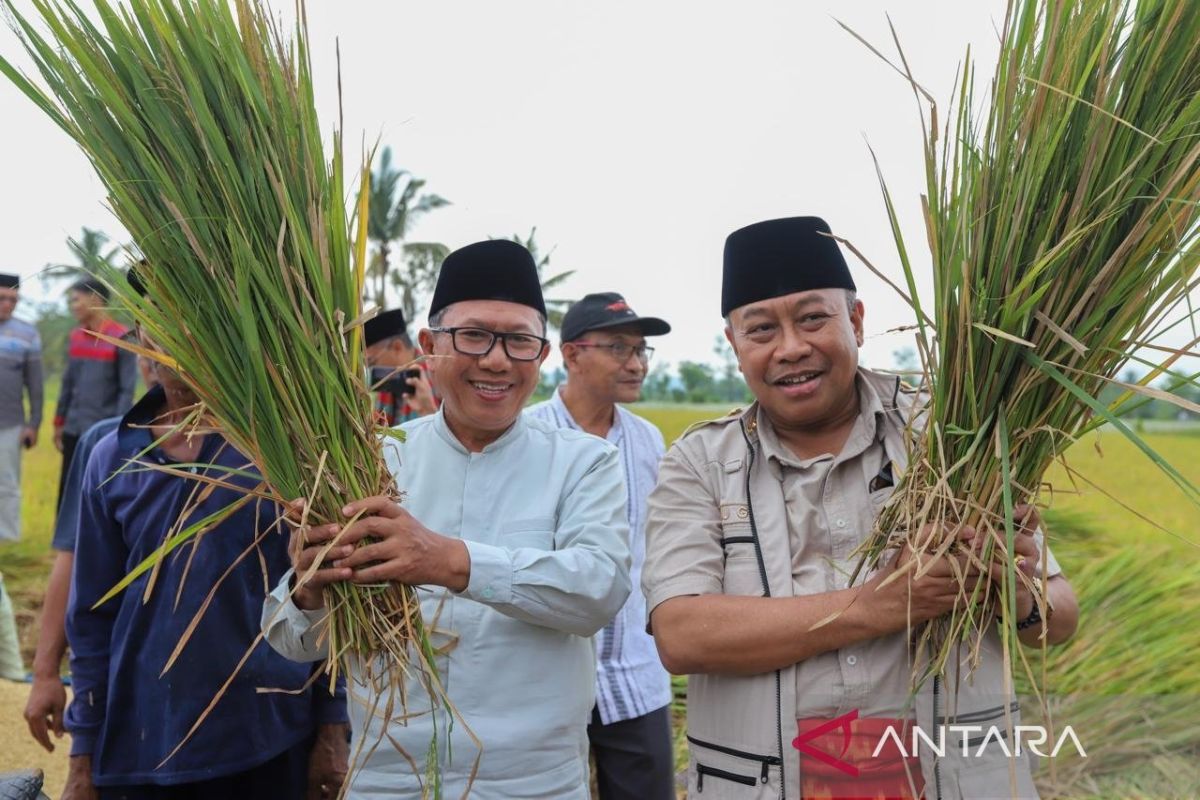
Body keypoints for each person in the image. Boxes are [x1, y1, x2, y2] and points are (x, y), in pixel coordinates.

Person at [642, 216, 1080, 799]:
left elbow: (1057, 620)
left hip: (955, 780)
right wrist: (877, 606)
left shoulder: (955, 432)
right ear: (734, 345)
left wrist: (1015, 589)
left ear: (856, 319)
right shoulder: (699, 462)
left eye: (813, 318)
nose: (791, 348)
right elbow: (682, 635)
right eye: (761, 329)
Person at [263, 239, 632, 798]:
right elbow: (295, 644)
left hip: (533, 783)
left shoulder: (583, 463)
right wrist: (309, 593)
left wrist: (449, 560)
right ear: (429, 346)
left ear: (543, 354)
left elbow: (598, 592)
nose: (496, 359)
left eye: (519, 341)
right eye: (475, 335)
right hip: (388, 780)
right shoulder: (370, 461)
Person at [63, 326, 349, 799]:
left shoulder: (280, 449)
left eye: (188, 323)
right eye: (158, 327)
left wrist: (333, 729)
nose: (175, 343)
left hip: (267, 739)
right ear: (141, 340)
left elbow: (328, 591)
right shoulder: (111, 457)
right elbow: (91, 615)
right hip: (141, 744)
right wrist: (82, 752)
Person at [526, 291, 675, 800]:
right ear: (570, 354)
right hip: (539, 678)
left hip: (635, 674)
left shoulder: (649, 441)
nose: (635, 364)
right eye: (618, 348)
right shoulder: (525, 437)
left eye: (640, 351)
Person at [53, 278, 137, 506]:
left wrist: (115, 430)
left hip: (102, 432)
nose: (72, 306)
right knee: (68, 490)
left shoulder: (122, 338)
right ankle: (65, 541)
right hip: (73, 428)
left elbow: (126, 390)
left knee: (97, 492)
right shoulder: (76, 337)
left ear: (95, 299)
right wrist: (59, 422)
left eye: (76, 300)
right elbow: (68, 383)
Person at [0, 271, 43, 542]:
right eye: (2, 298)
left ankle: (8, 540)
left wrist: (33, 423)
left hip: (9, 424)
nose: (8, 304)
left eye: (13, 300)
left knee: (6, 484)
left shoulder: (28, 334)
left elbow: (35, 385)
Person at [362, 308, 437, 424]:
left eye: (372, 362)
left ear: (397, 348)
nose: (370, 370)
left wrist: (428, 411)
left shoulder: (437, 376)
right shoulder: (387, 386)